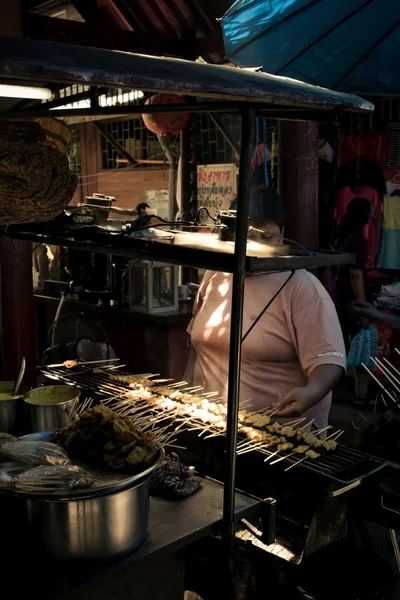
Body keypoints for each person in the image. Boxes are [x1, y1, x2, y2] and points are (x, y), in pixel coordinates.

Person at [186, 186, 346, 428]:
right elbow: (197, 347)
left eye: (267, 236)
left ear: (282, 233)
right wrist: (186, 390)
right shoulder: (215, 276)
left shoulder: (302, 287)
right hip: (211, 423)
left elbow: (329, 359)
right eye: (249, 236)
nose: (257, 245)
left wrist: (312, 392)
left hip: (278, 434)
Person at [329, 197, 372, 406]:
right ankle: (360, 395)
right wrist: (364, 307)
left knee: (339, 344)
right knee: (361, 344)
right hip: (351, 301)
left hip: (338, 297)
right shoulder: (358, 240)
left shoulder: (343, 236)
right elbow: (356, 275)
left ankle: (333, 389)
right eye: (370, 211)